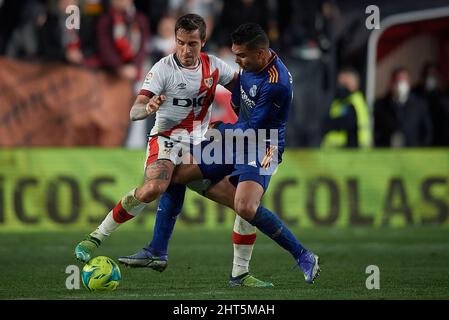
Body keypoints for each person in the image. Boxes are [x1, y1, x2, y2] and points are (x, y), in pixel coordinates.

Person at [75, 14, 270, 287]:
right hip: (166, 140)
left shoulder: (215, 66)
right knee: (155, 187)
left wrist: (251, 110)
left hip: (200, 148)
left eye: (192, 44)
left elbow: (242, 90)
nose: (185, 50)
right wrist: (149, 108)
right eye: (180, 43)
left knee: (245, 205)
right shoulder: (162, 69)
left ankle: (240, 273)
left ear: (203, 42)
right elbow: (134, 111)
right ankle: (95, 237)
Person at [119, 23, 321, 285]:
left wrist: (219, 128)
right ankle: (157, 250)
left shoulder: (277, 84)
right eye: (235, 55)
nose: (236, 61)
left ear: (260, 53)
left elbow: (253, 128)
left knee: (245, 206)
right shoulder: (251, 65)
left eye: (241, 56)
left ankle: (303, 255)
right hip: (236, 136)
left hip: (262, 144)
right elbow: (240, 96)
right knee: (176, 173)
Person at [374, 67, 433, 147]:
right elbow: (375, 130)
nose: (400, 84)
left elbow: (427, 131)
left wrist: (422, 148)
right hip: (387, 152)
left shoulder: (419, 105)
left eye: (404, 80)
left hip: (413, 151)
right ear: (391, 83)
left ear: (409, 82)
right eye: (398, 81)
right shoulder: (380, 105)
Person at [321, 67, 372, 148]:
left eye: (345, 84)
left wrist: (328, 122)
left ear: (355, 84)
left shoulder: (354, 101)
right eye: (340, 84)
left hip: (351, 148)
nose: (341, 87)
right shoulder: (337, 101)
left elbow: (347, 122)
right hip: (335, 149)